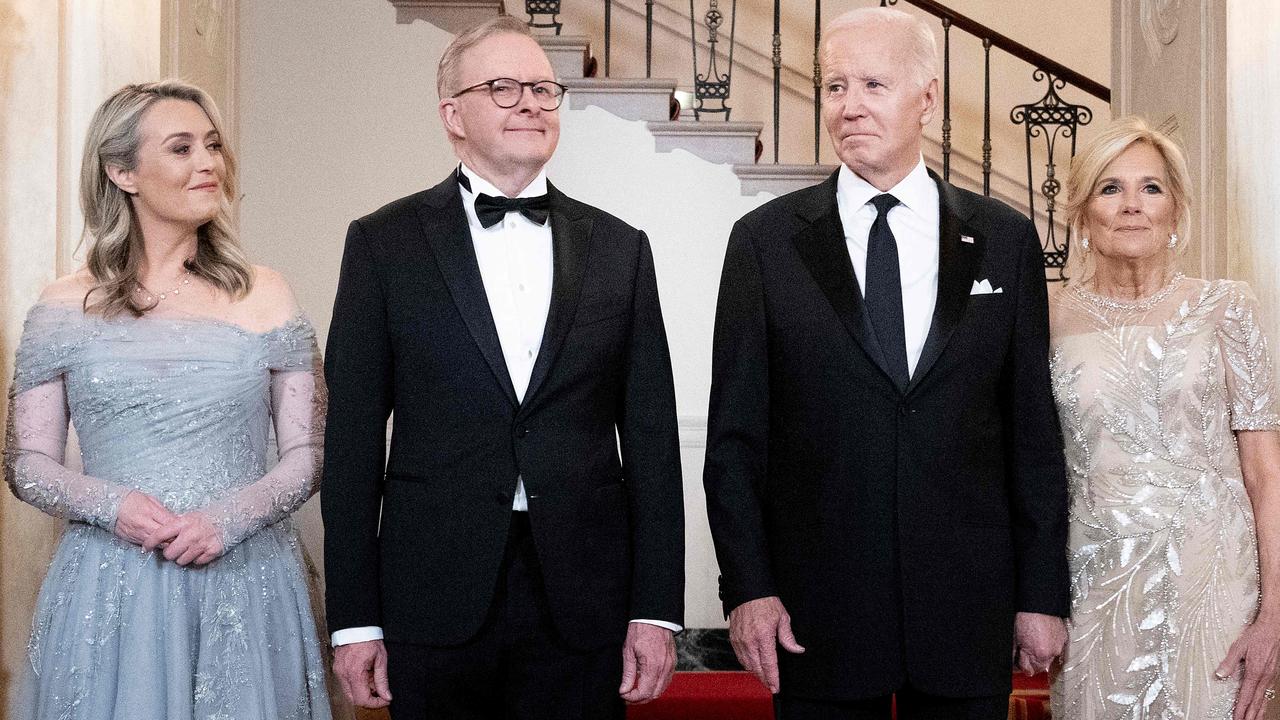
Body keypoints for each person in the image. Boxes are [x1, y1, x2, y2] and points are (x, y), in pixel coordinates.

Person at [702, 7, 1070, 718]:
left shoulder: (1006, 239)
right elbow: (735, 440)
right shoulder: (763, 242)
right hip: (818, 613)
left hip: (968, 609)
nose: (849, 105)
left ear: (927, 98)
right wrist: (748, 587)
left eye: (873, 83)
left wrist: (1041, 594)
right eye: (835, 85)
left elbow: (1032, 436)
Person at [320, 15, 684, 719]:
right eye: (505, 87)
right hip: (433, 593)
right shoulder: (381, 245)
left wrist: (656, 608)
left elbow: (652, 444)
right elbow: (353, 447)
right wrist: (355, 621)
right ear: (452, 115)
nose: (531, 103)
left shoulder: (622, 248)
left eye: (545, 90)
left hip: (583, 596)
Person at [3, 80, 338, 719]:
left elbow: (309, 450)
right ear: (121, 170)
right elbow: (25, 463)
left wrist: (230, 520)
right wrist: (113, 505)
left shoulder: (266, 293)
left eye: (212, 145)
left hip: (245, 576)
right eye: (181, 148)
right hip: (111, 581)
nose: (208, 163)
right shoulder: (62, 304)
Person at [1048, 116, 1280, 720]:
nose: (1131, 205)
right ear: (1082, 212)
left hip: (1216, 587)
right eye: (1110, 187)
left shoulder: (1226, 307)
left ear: (1175, 208)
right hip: (1094, 589)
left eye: (1150, 188)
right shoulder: (1044, 316)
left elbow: (1265, 472)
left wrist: (1275, 610)